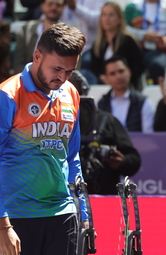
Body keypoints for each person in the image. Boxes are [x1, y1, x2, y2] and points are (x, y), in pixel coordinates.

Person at [0, 22, 87, 255]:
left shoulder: (71, 93)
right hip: (15, 217)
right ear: (37, 56)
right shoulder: (8, 95)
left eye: (69, 71)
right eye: (57, 68)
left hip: (63, 215)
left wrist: (84, 214)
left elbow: (72, 157)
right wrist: (2, 225)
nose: (63, 77)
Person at [69, 70, 141, 195]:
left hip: (103, 195)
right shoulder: (51, 122)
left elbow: (134, 160)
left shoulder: (106, 121)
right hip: (64, 198)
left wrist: (121, 162)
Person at [124, 0, 166, 84]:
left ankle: (158, 92)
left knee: (157, 66)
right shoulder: (133, 6)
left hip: (160, 51)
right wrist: (143, 35)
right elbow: (123, 29)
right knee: (122, 66)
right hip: (136, 48)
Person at [88, 1, 144, 88]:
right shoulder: (97, 44)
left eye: (111, 15)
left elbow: (138, 67)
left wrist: (120, 78)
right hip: (102, 86)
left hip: (126, 86)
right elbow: (95, 69)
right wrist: (104, 78)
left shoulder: (129, 40)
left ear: (120, 19)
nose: (107, 18)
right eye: (104, 15)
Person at [98, 56, 155, 133]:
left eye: (121, 71)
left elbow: (148, 137)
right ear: (106, 78)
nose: (118, 77)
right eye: (112, 74)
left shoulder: (144, 103)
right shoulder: (100, 104)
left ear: (129, 71)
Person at [13, 0, 66, 74]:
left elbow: (73, 70)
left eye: (58, 5)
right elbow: (18, 64)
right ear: (42, 5)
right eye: (50, 4)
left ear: (63, 8)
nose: (53, 7)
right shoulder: (27, 29)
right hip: (28, 77)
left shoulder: (69, 35)